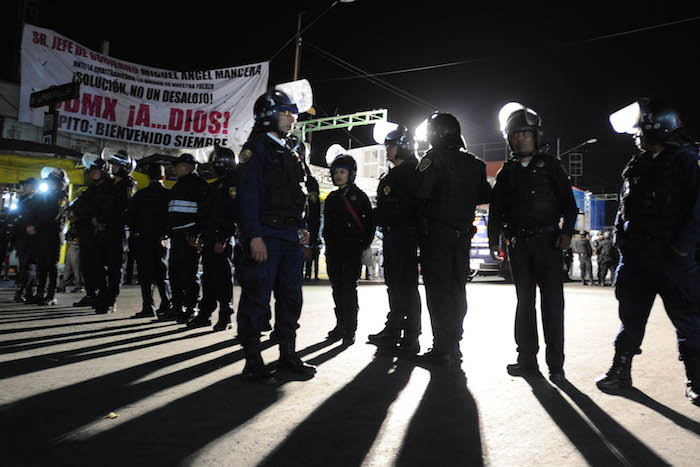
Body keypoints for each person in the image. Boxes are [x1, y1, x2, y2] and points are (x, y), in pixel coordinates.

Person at [596, 98, 700, 405]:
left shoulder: (685, 160)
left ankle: (696, 379)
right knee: (631, 319)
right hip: (637, 259)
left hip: (673, 260)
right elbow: (623, 208)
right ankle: (620, 371)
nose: (635, 135)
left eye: (639, 129)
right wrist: (620, 242)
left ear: (658, 127)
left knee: (688, 321)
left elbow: (697, 208)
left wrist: (682, 249)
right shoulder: (637, 165)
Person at [488, 104, 577, 383]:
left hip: (548, 243)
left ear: (536, 136)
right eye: (515, 135)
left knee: (552, 304)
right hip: (519, 246)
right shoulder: (506, 172)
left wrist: (567, 233)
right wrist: (494, 241)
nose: (520, 139)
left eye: (526, 134)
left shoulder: (551, 166)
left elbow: (570, 206)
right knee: (524, 303)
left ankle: (556, 365)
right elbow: (496, 211)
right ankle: (526, 359)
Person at [236, 88, 316, 382]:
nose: (291, 118)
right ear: (268, 115)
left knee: (291, 297)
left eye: (292, 113)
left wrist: (302, 225)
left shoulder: (291, 152)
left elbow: (299, 194)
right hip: (266, 233)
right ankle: (253, 360)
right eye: (285, 113)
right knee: (257, 297)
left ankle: (287, 355)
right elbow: (248, 197)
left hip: (289, 235)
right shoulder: (255, 149)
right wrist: (253, 235)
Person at [415, 112, 491, 365]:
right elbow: (484, 195)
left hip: (437, 236)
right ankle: (454, 344)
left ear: (435, 133)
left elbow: (420, 196)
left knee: (437, 292)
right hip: (462, 238)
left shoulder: (432, 159)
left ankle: (441, 347)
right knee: (458, 291)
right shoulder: (476, 164)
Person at [368, 125, 422, 356]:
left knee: (407, 287)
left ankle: (411, 336)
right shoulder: (393, 175)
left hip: (406, 236)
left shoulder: (414, 172)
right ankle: (393, 329)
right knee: (394, 285)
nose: (388, 150)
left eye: (391, 146)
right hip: (392, 236)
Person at [323, 153, 375, 346]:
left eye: (342, 172)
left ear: (351, 173)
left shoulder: (359, 196)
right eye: (335, 172)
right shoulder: (331, 197)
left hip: (352, 250)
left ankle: (350, 329)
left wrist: (362, 245)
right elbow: (327, 226)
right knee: (337, 289)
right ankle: (340, 325)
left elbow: (369, 224)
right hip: (334, 251)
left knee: (348, 289)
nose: (338, 175)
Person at [187, 146, 239, 331]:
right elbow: (205, 213)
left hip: (221, 239)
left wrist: (223, 238)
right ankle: (205, 314)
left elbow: (233, 214)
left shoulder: (233, 184)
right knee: (208, 279)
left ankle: (226, 316)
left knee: (224, 280)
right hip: (210, 238)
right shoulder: (216, 185)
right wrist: (197, 233)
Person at [167, 153, 210, 324]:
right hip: (177, 235)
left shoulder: (199, 185)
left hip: (188, 236)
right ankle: (177, 306)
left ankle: (190, 308)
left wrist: (196, 234)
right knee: (175, 272)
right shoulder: (179, 185)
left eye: (178, 166)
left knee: (189, 273)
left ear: (189, 167)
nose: (175, 169)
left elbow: (204, 212)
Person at [126, 162, 172, 319]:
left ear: (148, 177)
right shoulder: (168, 195)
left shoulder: (140, 194)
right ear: (163, 177)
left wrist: (136, 232)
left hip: (143, 238)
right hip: (162, 239)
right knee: (162, 273)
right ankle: (166, 304)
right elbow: (172, 217)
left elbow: (130, 216)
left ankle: (148, 306)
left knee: (146, 274)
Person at [27, 168, 69, 306]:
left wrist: (36, 226)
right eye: (49, 181)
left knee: (52, 266)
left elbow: (53, 216)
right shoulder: (45, 196)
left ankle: (50, 295)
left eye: (53, 182)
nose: (50, 184)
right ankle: (40, 293)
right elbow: (35, 212)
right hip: (42, 235)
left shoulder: (61, 197)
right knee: (41, 265)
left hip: (54, 236)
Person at [12, 178, 39, 303]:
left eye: (27, 185)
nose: (25, 188)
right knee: (23, 265)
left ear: (34, 187)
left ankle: (25, 291)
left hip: (32, 239)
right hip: (21, 238)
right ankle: (25, 290)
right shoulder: (22, 200)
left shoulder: (40, 201)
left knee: (29, 266)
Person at [57, 222, 83, 293]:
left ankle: (77, 285)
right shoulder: (73, 227)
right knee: (71, 268)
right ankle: (63, 285)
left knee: (75, 268)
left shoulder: (77, 227)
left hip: (75, 247)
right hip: (72, 247)